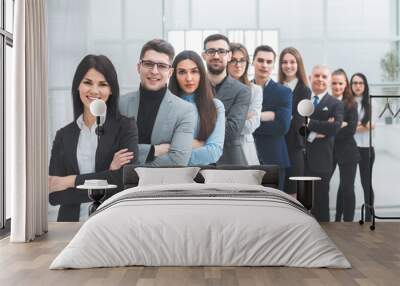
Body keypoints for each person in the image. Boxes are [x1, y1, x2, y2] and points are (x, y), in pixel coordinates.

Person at [49, 54, 139, 222]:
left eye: (103, 84)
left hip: (111, 222)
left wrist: (70, 181)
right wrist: (109, 174)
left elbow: (125, 182)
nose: (95, 91)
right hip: (69, 225)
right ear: (78, 85)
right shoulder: (64, 135)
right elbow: (55, 194)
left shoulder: (125, 127)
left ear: (111, 90)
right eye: (87, 82)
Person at [119, 39, 196, 166]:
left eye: (162, 66)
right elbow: (111, 150)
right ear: (139, 67)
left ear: (170, 72)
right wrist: (153, 150)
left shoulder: (184, 110)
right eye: (148, 64)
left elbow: (178, 160)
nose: (154, 71)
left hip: (163, 184)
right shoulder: (120, 104)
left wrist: (131, 166)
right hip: (122, 184)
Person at [169, 50, 225, 165]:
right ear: (174, 75)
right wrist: (198, 144)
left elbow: (213, 152)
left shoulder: (215, 106)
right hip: (168, 177)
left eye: (194, 71)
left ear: (202, 74)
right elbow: (155, 148)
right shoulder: (166, 105)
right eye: (182, 72)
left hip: (202, 177)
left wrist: (173, 154)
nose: (189, 78)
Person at [202, 34, 251, 165]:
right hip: (197, 161)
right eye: (211, 51)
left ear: (229, 56)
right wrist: (221, 120)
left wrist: (198, 123)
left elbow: (232, 131)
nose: (216, 56)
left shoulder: (242, 91)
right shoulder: (193, 87)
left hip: (230, 162)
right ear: (204, 55)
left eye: (221, 51)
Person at [305, 65, 344, 222]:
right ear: (310, 78)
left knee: (321, 203)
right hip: (302, 160)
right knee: (303, 203)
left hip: (322, 161)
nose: (320, 79)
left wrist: (308, 123)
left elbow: (334, 128)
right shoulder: (302, 100)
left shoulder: (335, 103)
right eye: (317, 75)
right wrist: (319, 130)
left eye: (324, 76)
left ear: (328, 81)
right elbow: (295, 127)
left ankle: (325, 239)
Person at [252, 45, 292, 190]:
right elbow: (238, 124)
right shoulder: (243, 90)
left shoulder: (284, 92)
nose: (264, 65)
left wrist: (252, 120)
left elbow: (282, 126)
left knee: (273, 207)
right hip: (246, 157)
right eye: (260, 60)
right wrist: (264, 116)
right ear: (253, 62)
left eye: (269, 62)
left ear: (274, 65)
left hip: (274, 158)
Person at [278, 47, 312, 196]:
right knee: (279, 189)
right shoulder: (276, 87)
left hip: (294, 145)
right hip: (277, 145)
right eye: (284, 62)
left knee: (294, 189)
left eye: (292, 62)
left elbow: (298, 120)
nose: (288, 65)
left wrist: (281, 117)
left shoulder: (304, 90)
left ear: (298, 64)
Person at [330, 69, 360, 222]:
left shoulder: (351, 104)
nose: (337, 86)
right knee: (323, 186)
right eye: (334, 83)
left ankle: (348, 223)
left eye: (340, 83)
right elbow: (319, 125)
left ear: (346, 84)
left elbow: (351, 129)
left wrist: (331, 127)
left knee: (347, 188)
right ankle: (336, 219)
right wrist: (339, 125)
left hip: (348, 152)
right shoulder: (325, 102)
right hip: (328, 151)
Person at [227, 43, 262, 165]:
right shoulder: (217, 89)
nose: (238, 65)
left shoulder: (255, 90)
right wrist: (242, 115)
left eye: (242, 60)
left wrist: (229, 118)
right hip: (222, 150)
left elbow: (251, 125)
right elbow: (212, 124)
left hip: (246, 149)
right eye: (233, 61)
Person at [351, 72, 375, 221]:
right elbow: (341, 125)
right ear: (351, 85)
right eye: (355, 83)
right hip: (351, 148)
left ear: (365, 86)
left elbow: (372, 125)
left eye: (361, 83)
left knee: (366, 184)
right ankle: (344, 216)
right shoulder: (347, 103)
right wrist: (360, 125)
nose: (358, 86)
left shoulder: (371, 102)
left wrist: (352, 126)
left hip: (366, 148)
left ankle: (369, 216)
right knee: (347, 184)